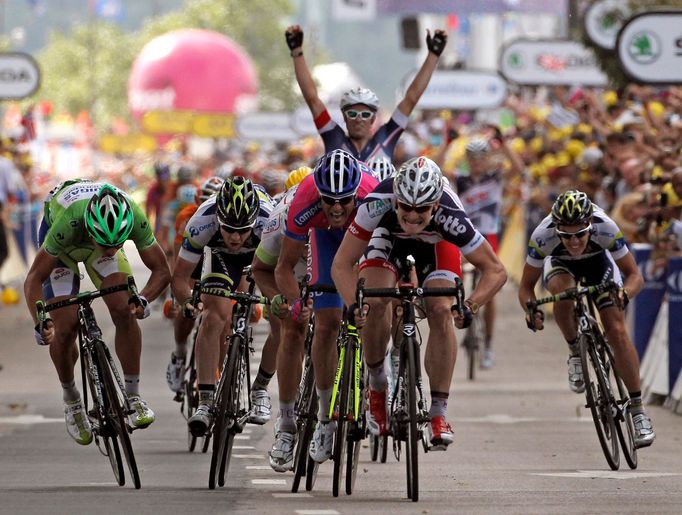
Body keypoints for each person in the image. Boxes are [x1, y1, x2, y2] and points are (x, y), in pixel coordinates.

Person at [332, 156, 506, 449]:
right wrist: (353, 305)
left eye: (422, 209)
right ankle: (377, 386)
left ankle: (438, 414)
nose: (412, 216)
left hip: (437, 244)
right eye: (406, 207)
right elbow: (341, 264)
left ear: (435, 205)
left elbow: (496, 271)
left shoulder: (451, 215)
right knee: (374, 301)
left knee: (440, 309)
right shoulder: (376, 204)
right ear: (396, 200)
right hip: (386, 239)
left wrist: (470, 306)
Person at [24, 181, 170, 445]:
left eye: (118, 244)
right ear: (91, 230)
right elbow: (33, 278)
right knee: (65, 325)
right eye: (107, 244)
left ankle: (134, 397)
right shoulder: (67, 222)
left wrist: (144, 299)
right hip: (63, 248)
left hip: (95, 239)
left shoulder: (133, 216)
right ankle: (72, 401)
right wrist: (40, 320)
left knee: (124, 309)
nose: (112, 251)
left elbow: (162, 271)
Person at [518, 190, 655, 448]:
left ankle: (637, 410)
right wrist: (531, 310)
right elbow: (526, 288)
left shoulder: (605, 227)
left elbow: (635, 275)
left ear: (590, 225)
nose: (574, 242)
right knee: (562, 293)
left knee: (616, 329)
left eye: (580, 234)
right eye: (566, 235)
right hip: (561, 266)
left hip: (599, 265)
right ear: (556, 228)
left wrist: (624, 294)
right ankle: (574, 352)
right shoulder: (543, 235)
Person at [275, 149, 377, 464]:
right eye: (328, 200)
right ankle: (325, 418)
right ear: (318, 192)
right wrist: (296, 303)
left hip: (367, 237)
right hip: (327, 240)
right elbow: (283, 267)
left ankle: (378, 388)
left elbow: (389, 253)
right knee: (327, 322)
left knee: (376, 309)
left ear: (355, 194)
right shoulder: (305, 202)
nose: (336, 207)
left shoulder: (372, 195)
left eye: (343, 200)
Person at [171, 177, 275, 436]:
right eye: (229, 229)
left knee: (282, 319)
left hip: (259, 256)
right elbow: (180, 278)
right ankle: (206, 401)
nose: (237, 237)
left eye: (243, 229)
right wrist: (187, 302)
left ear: (254, 221)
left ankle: (260, 388)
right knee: (214, 315)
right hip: (218, 256)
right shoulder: (201, 221)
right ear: (218, 219)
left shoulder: (270, 222)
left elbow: (282, 271)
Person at [285, 25, 447, 160]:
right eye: (353, 114)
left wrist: (433, 56)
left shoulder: (386, 137)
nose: (358, 120)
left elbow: (411, 99)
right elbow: (312, 99)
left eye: (365, 115)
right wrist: (297, 52)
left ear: (373, 119)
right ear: (344, 117)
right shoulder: (333, 137)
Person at [250, 166, 312, 472]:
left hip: (328, 261)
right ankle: (286, 424)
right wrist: (279, 300)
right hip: (285, 266)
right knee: (290, 328)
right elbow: (261, 269)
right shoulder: (279, 218)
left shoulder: (339, 210)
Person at [456, 135, 523, 369]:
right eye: (472, 158)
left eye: (480, 157)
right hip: (465, 236)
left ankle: (489, 345)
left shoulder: (494, 177)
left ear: (487, 158)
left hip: (488, 236)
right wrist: (446, 144)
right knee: (456, 277)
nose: (476, 162)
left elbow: (519, 169)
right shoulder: (461, 179)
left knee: (490, 289)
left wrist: (503, 145)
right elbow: (439, 166)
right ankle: (463, 316)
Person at [165, 177, 224, 394]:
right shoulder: (188, 217)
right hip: (196, 260)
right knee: (185, 305)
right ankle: (180, 354)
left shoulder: (232, 219)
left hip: (222, 258)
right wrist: (181, 296)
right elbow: (179, 264)